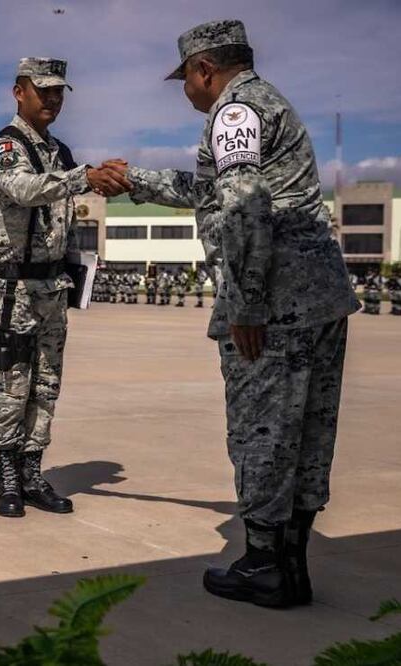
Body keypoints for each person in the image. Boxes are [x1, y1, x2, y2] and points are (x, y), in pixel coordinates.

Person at [119, 19, 360, 607]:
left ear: (205, 69)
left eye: (186, 78)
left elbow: (245, 201)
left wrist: (248, 302)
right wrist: (130, 180)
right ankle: (292, 564)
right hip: (320, 296)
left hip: (274, 304)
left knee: (262, 433)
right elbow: (217, 187)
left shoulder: (233, 112)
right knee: (306, 435)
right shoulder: (266, 106)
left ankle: (261, 565)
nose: (186, 90)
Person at [0, 58, 132, 516]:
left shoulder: (60, 153)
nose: (51, 99)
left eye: (58, 92)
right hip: (11, 289)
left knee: (46, 384)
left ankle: (31, 471)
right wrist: (85, 176)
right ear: (18, 92)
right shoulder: (5, 147)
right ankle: (6, 477)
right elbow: (25, 189)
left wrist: (109, 178)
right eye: (42, 90)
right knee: (12, 384)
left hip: (51, 287)